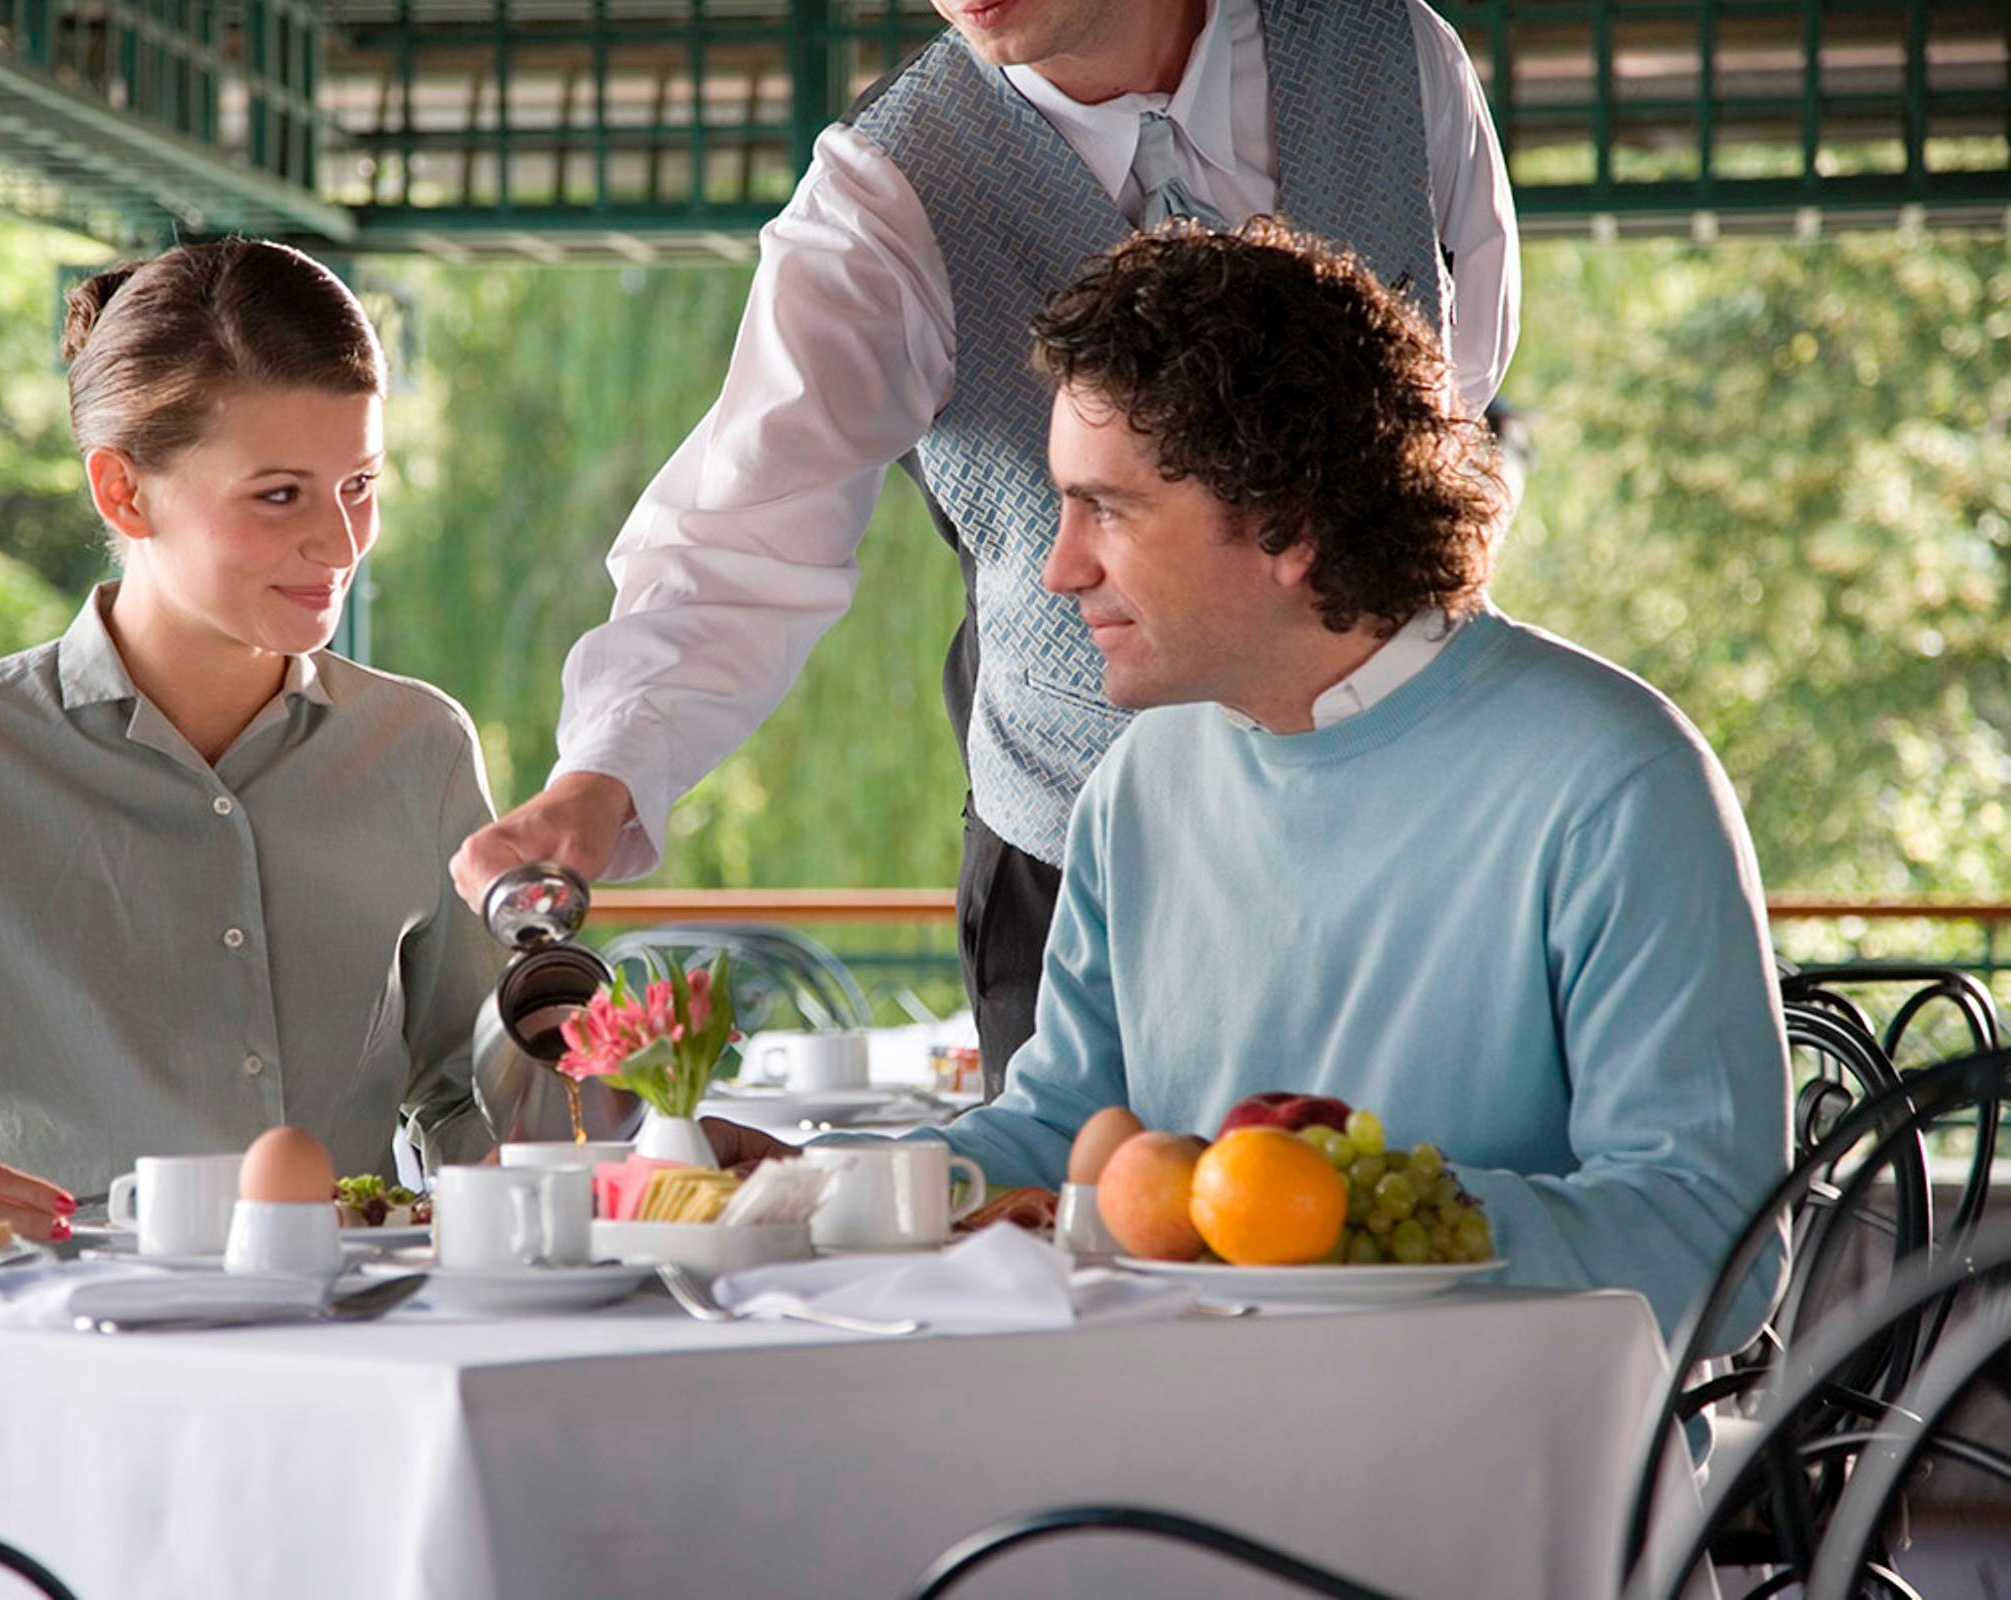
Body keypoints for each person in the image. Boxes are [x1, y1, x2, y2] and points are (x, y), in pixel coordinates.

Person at [715, 220, 1789, 1339]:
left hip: (1502, 1477)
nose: (1058, 565)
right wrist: (813, 1185)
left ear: (1286, 521)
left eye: (1109, 509)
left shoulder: (1616, 779)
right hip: (1182, 1438)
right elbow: (1061, 1129)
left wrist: (1311, 1224)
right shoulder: (1139, 783)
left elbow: (1710, 1243)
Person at [452, 0, 1521, 1097]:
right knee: (1075, 1230)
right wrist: (601, 776)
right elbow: (745, 531)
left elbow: (1447, 398)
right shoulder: (887, 189)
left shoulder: (1392, 54)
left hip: (1408, 826)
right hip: (1069, 863)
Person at [0, 238, 502, 1239]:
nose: (341, 541)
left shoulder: (419, 744)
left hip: (357, 1329)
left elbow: (480, 1094)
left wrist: (648, 1143)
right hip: (56, 1342)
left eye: (359, 484)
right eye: (280, 494)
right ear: (123, 492)